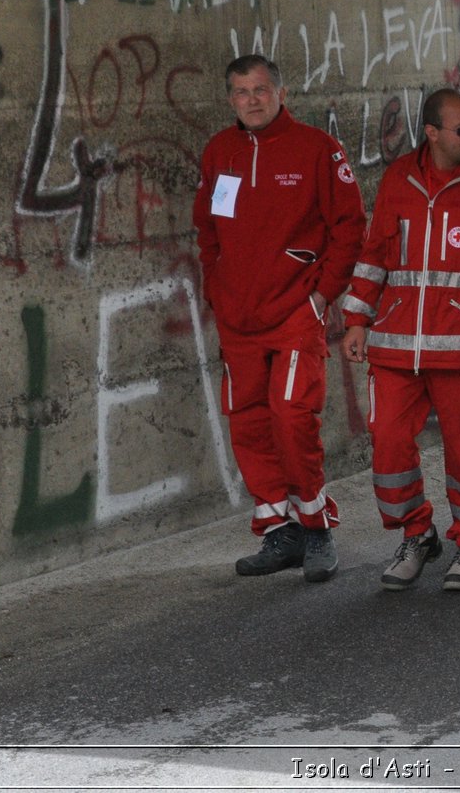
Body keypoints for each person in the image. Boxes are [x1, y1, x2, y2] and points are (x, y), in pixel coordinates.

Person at [340, 88, 460, 591]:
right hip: (396, 347)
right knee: (388, 446)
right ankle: (416, 534)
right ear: (432, 133)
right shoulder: (399, 179)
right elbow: (374, 251)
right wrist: (356, 317)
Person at [193, 54, 366, 583]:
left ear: (282, 93)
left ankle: (316, 529)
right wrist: (216, 287)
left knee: (291, 418)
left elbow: (349, 225)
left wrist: (321, 298)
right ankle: (279, 533)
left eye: (261, 89)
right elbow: (207, 229)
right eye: (241, 91)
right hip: (237, 318)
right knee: (248, 422)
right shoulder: (219, 151)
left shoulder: (317, 149)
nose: (252, 99)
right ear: (230, 99)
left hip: (295, 312)